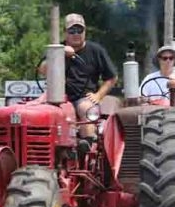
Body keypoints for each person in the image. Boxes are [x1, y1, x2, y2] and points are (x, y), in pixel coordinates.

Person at [38, 13, 117, 147]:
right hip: (57, 98)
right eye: (72, 30)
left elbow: (111, 77)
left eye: (79, 30)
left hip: (83, 97)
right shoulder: (56, 49)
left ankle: (87, 149)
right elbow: (42, 70)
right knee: (38, 112)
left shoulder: (96, 51)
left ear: (85, 31)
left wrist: (98, 95)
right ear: (65, 32)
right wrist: (60, 53)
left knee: (86, 108)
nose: (76, 34)